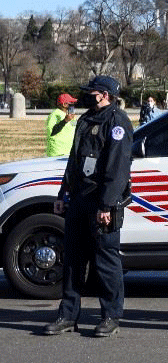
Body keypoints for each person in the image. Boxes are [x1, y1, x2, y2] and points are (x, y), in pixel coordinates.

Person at [43, 76, 133, 337]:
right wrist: (63, 193)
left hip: (102, 201)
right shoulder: (85, 119)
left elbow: (117, 168)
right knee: (72, 260)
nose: (86, 96)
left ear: (104, 95)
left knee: (106, 261)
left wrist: (106, 205)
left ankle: (111, 316)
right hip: (79, 199)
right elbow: (74, 161)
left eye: (91, 92)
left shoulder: (117, 122)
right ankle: (68, 315)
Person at [45, 93, 78, 157]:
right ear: (64, 104)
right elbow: (52, 131)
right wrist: (65, 121)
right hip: (58, 152)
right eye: (71, 103)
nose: (73, 105)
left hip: (69, 151)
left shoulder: (71, 115)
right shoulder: (55, 114)